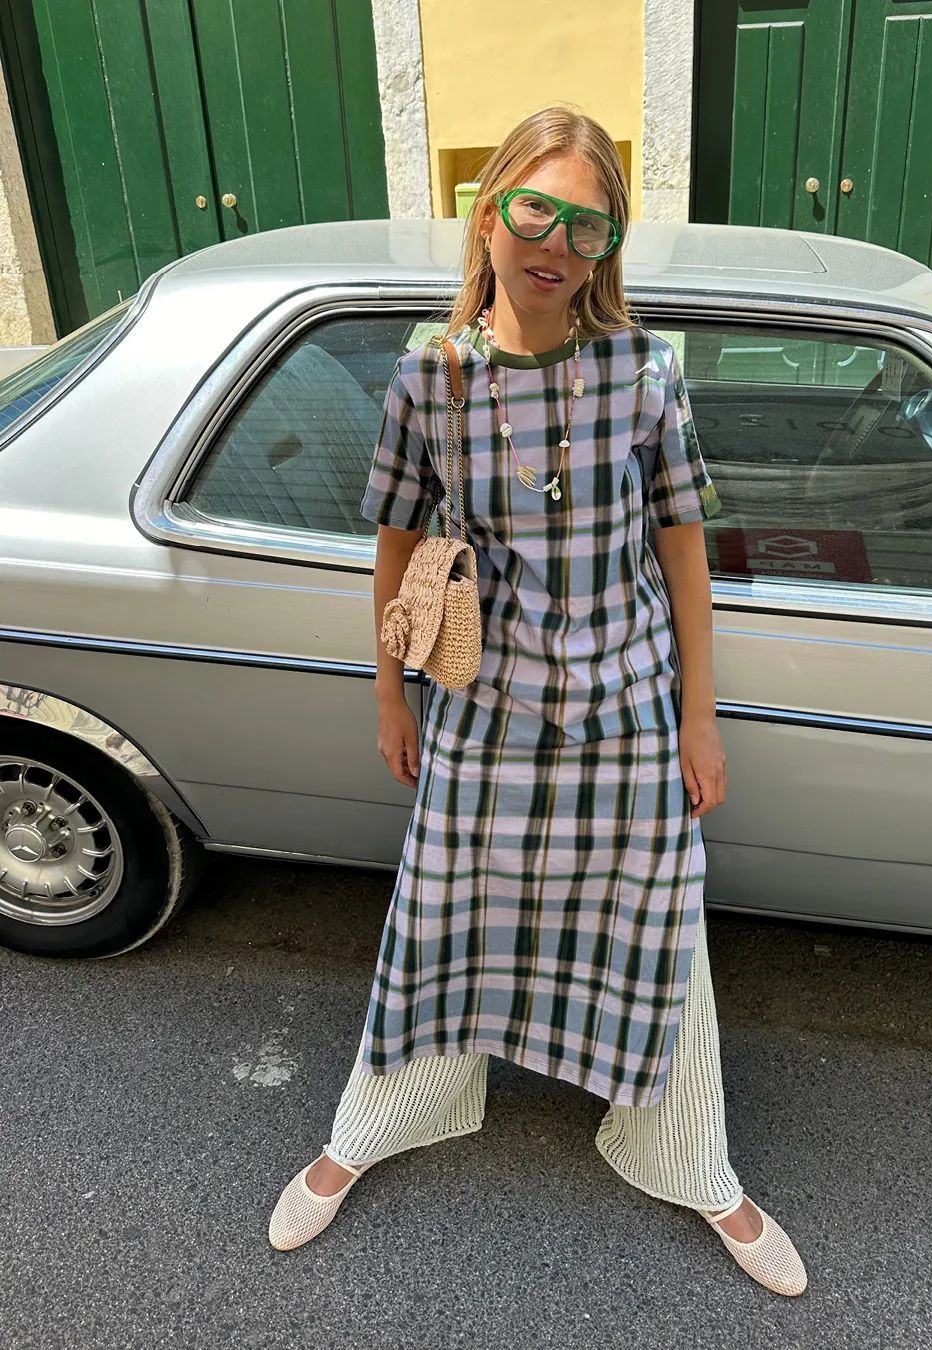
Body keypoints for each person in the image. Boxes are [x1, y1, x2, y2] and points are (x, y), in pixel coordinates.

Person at [268, 106, 807, 1298]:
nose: (556, 242)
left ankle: (691, 1156)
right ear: (488, 213)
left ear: (609, 244)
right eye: (535, 210)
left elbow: (682, 551)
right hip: (486, 711)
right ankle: (373, 1124)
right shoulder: (431, 376)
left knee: (659, 929)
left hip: (628, 712)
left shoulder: (644, 371)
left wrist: (700, 718)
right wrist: (390, 693)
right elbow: (395, 543)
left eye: (587, 224)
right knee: (441, 918)